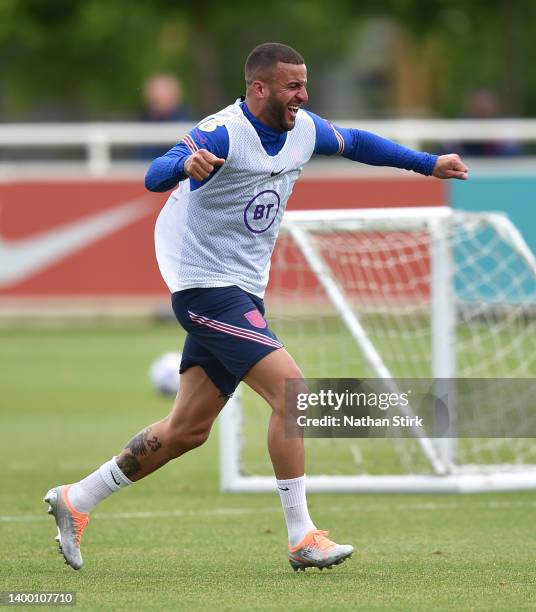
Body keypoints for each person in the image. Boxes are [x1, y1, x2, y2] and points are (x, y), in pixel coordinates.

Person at [44, 43, 468, 572]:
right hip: (201, 284)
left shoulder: (304, 129)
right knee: (295, 395)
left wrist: (429, 164)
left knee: (187, 430)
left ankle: (76, 499)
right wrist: (184, 164)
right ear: (259, 88)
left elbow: (357, 141)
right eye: (293, 86)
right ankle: (302, 537)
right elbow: (155, 173)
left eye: (305, 84)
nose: (303, 95)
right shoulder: (223, 131)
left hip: (243, 288)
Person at [140, 73, 194, 160]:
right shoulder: (144, 123)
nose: (155, 102)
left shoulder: (187, 127)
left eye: (158, 98)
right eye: (153, 99)